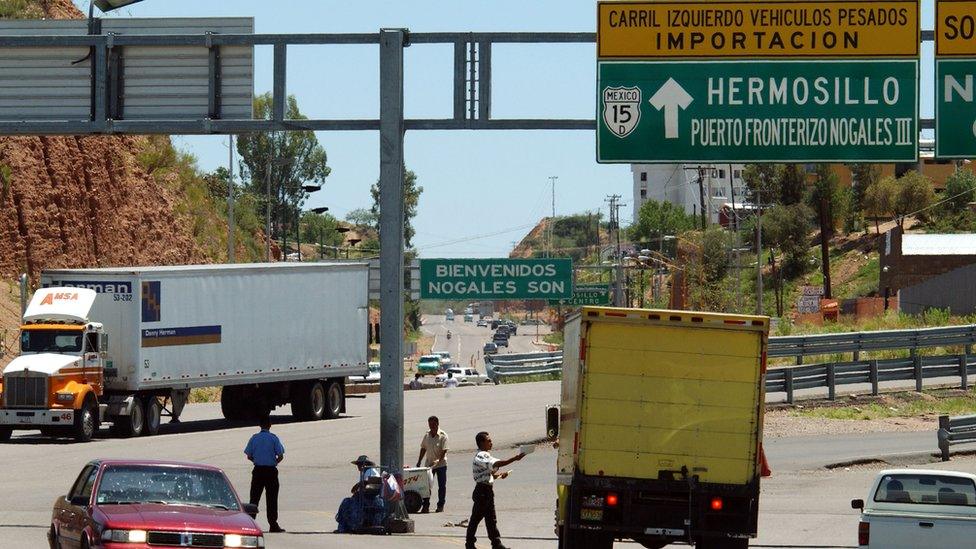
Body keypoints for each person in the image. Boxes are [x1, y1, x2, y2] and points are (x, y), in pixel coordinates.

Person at [466, 431, 525, 549]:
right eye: (489, 441)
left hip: (487, 490)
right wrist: (515, 458)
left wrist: (499, 476)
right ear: (481, 443)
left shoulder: (486, 455)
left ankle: (496, 543)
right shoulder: (481, 455)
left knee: (491, 518)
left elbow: (488, 474)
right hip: (482, 491)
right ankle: (470, 544)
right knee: (476, 518)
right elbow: (497, 463)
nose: (491, 443)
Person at [244, 415, 285, 533]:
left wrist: (257, 461)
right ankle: (273, 524)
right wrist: (274, 462)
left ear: (260, 425)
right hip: (271, 471)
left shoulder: (254, 438)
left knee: (254, 498)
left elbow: (248, 455)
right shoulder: (273, 438)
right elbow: (281, 455)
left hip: (258, 470)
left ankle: (250, 524)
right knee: (272, 498)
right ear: (270, 425)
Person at [335, 455, 384, 533]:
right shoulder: (366, 472)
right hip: (367, 497)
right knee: (348, 500)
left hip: (369, 498)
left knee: (346, 503)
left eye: (359, 464)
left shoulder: (370, 471)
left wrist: (359, 485)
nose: (358, 467)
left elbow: (370, 483)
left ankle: (347, 526)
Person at [416, 416, 449, 513]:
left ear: (438, 424)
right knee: (427, 486)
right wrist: (419, 461)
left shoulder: (443, 436)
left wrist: (438, 461)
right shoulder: (427, 435)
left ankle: (440, 505)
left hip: (441, 465)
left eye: (434, 424)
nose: (432, 426)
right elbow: (423, 448)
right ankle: (426, 506)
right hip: (429, 465)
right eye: (430, 424)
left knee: (442, 486)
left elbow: (444, 450)